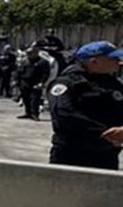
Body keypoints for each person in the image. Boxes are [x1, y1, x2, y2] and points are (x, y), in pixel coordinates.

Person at [48, 41, 123, 170]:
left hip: (106, 154)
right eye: (113, 58)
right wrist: (108, 133)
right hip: (73, 154)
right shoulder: (67, 83)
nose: (119, 62)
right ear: (94, 62)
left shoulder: (113, 84)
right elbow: (64, 114)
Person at [16, 45, 51, 121]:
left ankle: (34, 114)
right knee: (26, 98)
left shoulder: (43, 62)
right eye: (28, 53)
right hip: (25, 82)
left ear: (36, 53)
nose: (28, 55)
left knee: (35, 99)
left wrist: (41, 82)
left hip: (36, 82)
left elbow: (46, 73)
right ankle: (28, 113)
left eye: (30, 53)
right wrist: (17, 81)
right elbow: (19, 71)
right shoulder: (25, 61)